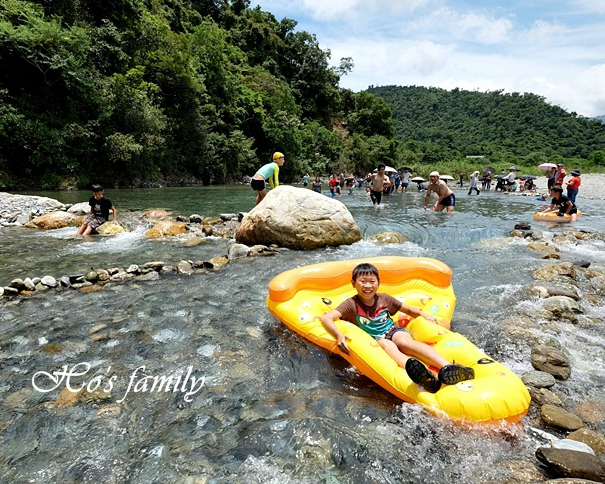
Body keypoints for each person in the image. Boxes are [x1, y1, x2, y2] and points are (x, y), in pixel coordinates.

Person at [320, 263, 475, 393]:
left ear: (378, 283)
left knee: (404, 342)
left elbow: (407, 309)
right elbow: (327, 317)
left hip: (393, 331)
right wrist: (338, 335)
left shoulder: (384, 299)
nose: (368, 285)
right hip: (376, 340)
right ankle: (424, 376)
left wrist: (424, 315)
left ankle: (448, 367)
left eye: (372, 281)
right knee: (388, 345)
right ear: (353, 284)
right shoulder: (350, 304)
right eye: (363, 281)